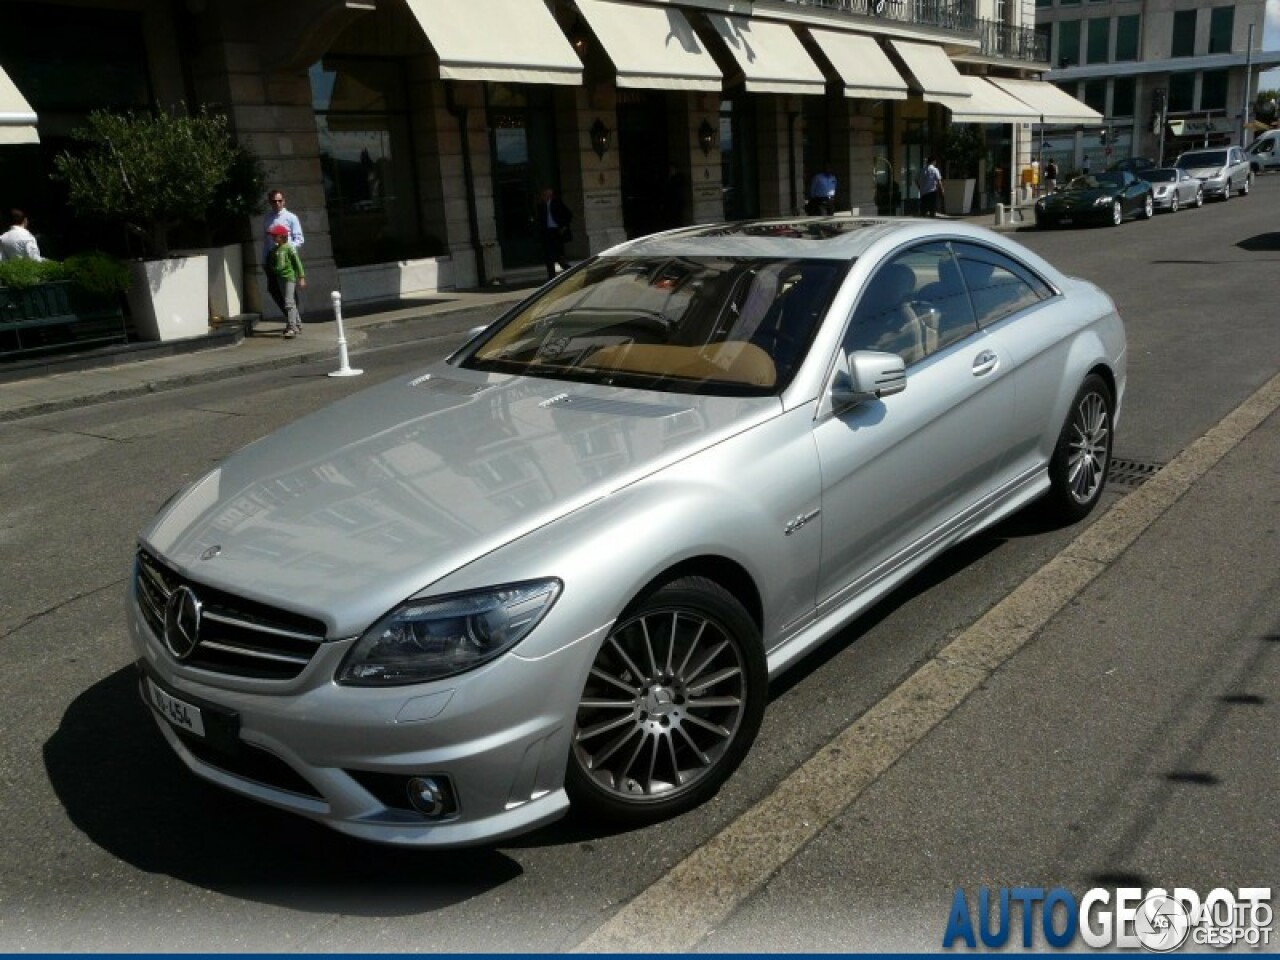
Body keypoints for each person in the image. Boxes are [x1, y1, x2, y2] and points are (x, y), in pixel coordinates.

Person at [262, 189, 304, 332]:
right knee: (274, 290)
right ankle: (294, 319)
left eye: (280, 200)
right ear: (270, 202)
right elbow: (266, 241)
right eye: (274, 201)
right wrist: (265, 259)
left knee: (289, 294)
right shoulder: (268, 218)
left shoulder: (291, 217)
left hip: (286, 258)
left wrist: (286, 248)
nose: (277, 203)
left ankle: (292, 323)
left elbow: (299, 239)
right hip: (271, 258)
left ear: (284, 201)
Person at [266, 223, 306, 339]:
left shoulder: (289, 248)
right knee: (289, 302)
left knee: (288, 303)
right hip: (280, 278)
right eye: (272, 235)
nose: (273, 237)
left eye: (275, 235)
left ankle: (292, 327)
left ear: (283, 236)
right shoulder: (274, 250)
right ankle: (298, 324)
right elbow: (273, 263)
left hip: (289, 278)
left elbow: (297, 262)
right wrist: (274, 269)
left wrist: (301, 277)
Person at [537, 186, 573, 280]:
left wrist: (564, 226)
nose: (544, 196)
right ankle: (551, 277)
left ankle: (569, 271)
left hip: (556, 231)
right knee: (548, 256)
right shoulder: (541, 205)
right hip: (546, 233)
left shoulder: (557, 203)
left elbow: (569, 214)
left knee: (558, 255)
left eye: (547, 194)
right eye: (544, 195)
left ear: (550, 195)